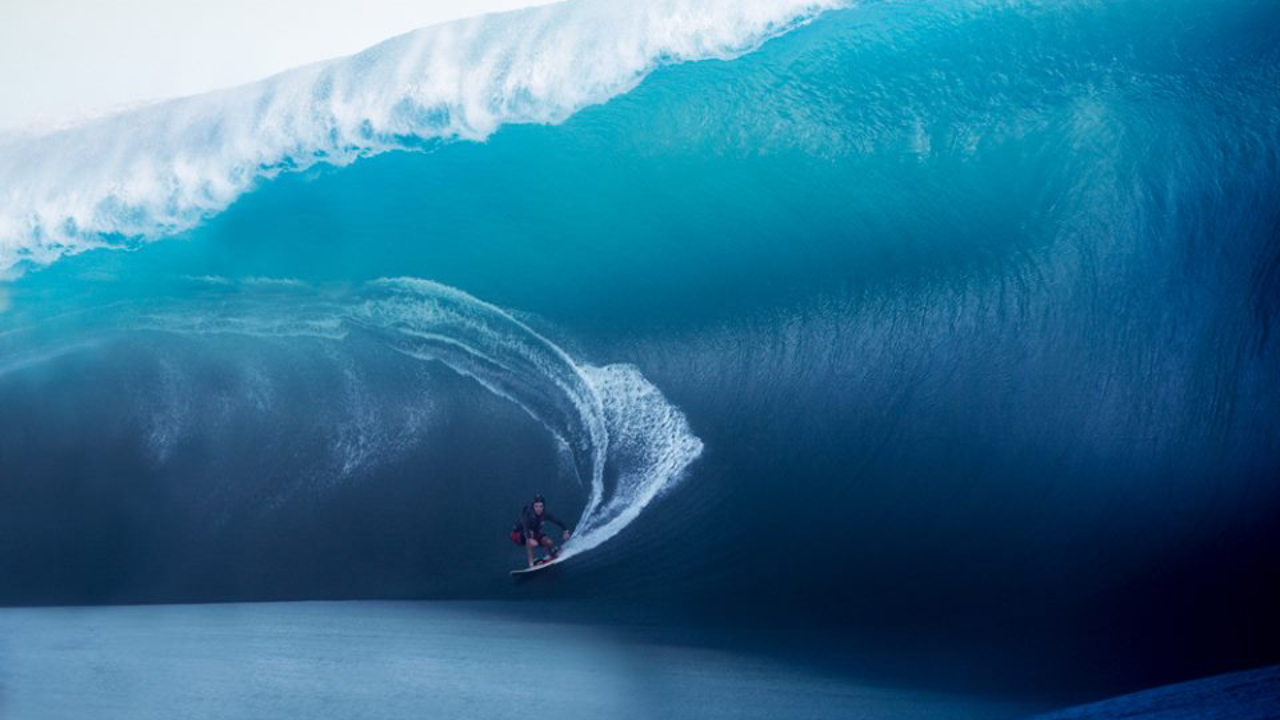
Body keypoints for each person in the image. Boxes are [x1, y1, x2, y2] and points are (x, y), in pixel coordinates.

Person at [514, 494, 571, 567]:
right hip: (517, 534)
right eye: (536, 506)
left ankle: (551, 555)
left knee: (549, 542)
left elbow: (557, 521)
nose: (539, 509)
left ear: (543, 506)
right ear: (533, 506)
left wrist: (566, 531)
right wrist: (529, 538)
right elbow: (525, 527)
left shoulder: (545, 514)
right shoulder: (528, 514)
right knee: (530, 534)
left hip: (533, 534)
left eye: (541, 506)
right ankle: (531, 563)